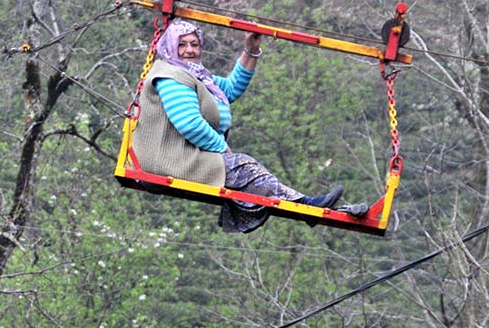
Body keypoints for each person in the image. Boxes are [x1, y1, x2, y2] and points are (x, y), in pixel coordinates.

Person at [132, 17, 368, 233]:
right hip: (171, 160)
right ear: (171, 47)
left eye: (194, 44)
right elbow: (190, 124)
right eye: (182, 45)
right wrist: (221, 148)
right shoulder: (171, 77)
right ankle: (306, 206)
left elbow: (231, 89)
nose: (190, 50)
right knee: (243, 166)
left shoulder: (198, 77)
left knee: (246, 170)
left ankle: (308, 206)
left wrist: (251, 51)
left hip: (187, 157)